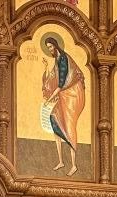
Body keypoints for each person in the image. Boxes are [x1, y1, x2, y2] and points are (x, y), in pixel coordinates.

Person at [41, 36, 85, 177]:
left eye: (50, 47)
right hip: (63, 94)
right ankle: (61, 161)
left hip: (72, 94)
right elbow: (52, 78)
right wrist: (45, 68)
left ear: (55, 45)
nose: (49, 49)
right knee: (54, 119)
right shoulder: (57, 60)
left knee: (69, 126)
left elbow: (60, 84)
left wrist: (49, 100)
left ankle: (74, 165)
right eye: (48, 47)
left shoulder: (64, 59)